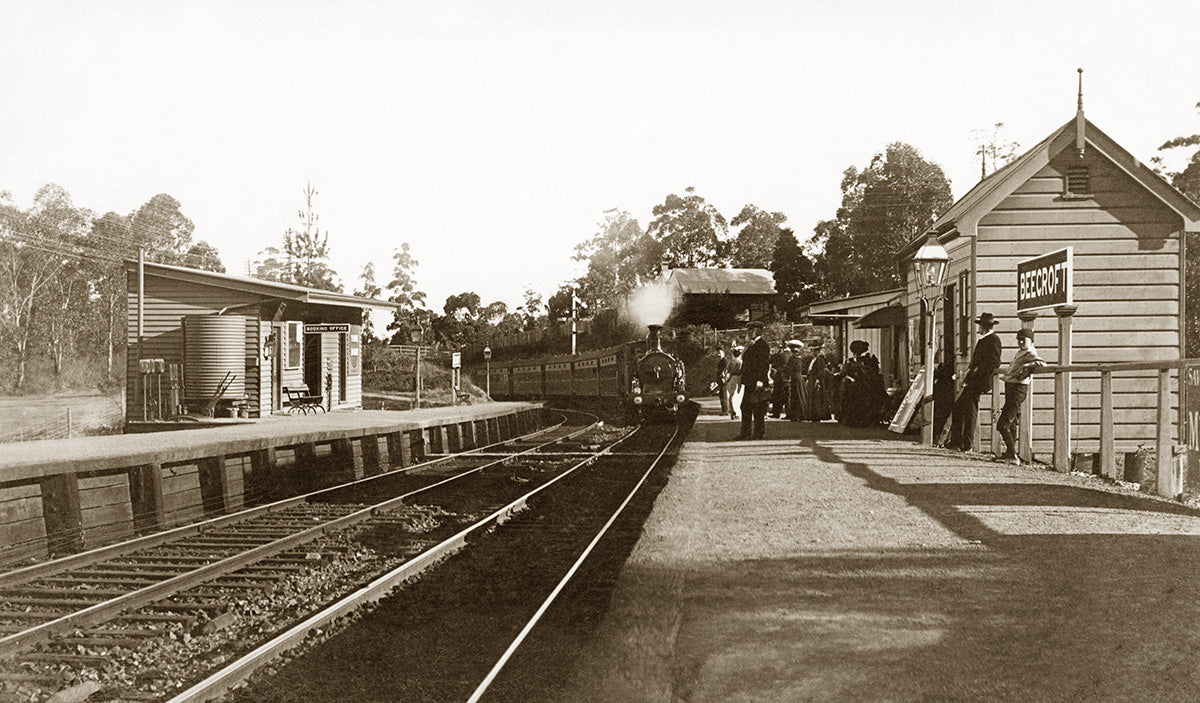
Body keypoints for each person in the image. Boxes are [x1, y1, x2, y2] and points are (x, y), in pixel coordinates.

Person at [944, 312, 1003, 452]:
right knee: (958, 407)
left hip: (980, 381)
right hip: (973, 380)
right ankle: (957, 442)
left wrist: (976, 371)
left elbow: (994, 362)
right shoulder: (983, 340)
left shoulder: (993, 340)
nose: (979, 329)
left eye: (981, 326)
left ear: (985, 327)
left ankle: (966, 444)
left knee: (970, 411)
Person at [995, 328, 1046, 464]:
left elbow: (1042, 363)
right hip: (1011, 387)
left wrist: (1028, 367)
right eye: (1019, 339)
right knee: (1012, 424)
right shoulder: (1021, 352)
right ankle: (1009, 454)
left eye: (1024, 339)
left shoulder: (1030, 352)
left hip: (1018, 389)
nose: (1021, 342)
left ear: (1031, 340)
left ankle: (1012, 456)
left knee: (1002, 424)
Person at [738, 320, 770, 439]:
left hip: (756, 381)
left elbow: (763, 365)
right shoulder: (753, 344)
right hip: (750, 381)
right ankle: (746, 432)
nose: (749, 332)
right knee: (746, 407)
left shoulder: (762, 345)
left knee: (757, 408)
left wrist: (760, 380)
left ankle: (757, 432)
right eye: (749, 330)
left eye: (751, 330)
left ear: (757, 331)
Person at [769, 342, 792, 418]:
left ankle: (776, 413)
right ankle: (788, 413)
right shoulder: (791, 355)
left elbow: (772, 362)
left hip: (780, 378)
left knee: (777, 396)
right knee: (787, 397)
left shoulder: (780, 355)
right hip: (788, 378)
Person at [785, 340, 806, 421]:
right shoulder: (800, 359)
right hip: (800, 378)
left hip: (795, 379)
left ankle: (795, 415)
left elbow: (789, 369)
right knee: (800, 395)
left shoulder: (792, 359)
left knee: (795, 397)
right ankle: (801, 414)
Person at [725, 346, 743, 420]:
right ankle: (736, 412)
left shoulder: (731, 362)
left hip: (732, 378)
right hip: (739, 379)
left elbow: (726, 371)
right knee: (738, 396)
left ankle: (732, 411)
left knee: (731, 395)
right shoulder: (741, 362)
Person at [716, 348, 729, 414]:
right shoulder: (720, 361)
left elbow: (725, 370)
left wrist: (724, 377)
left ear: (723, 353)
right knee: (721, 394)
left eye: (720, 353)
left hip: (723, 379)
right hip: (720, 380)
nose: (718, 354)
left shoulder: (724, 361)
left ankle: (726, 410)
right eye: (718, 353)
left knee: (724, 394)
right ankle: (723, 410)